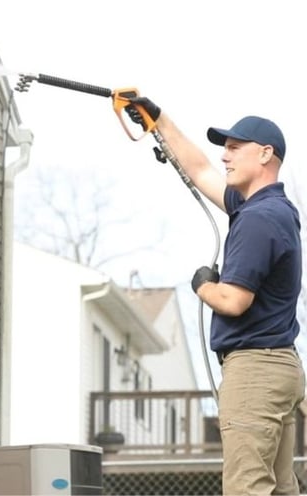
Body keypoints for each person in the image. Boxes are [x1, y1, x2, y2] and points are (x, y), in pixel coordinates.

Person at [127, 98, 305, 495]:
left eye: (234, 147)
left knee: (247, 487)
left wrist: (203, 285)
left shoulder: (258, 219)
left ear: (265, 154)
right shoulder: (269, 208)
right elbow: (200, 169)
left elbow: (233, 301)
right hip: (279, 365)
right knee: (278, 489)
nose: (224, 156)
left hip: (255, 370)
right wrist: (160, 123)